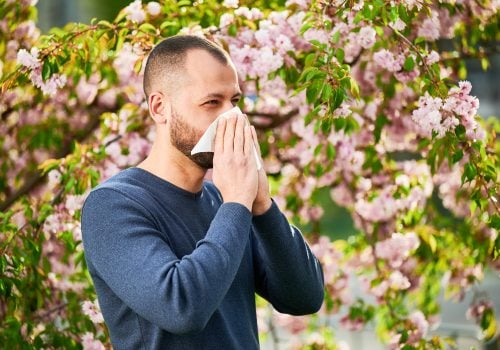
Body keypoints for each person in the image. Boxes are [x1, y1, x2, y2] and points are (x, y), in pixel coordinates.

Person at [81, 35, 324, 349]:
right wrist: (237, 201)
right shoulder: (113, 205)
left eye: (235, 102)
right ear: (159, 107)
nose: (230, 117)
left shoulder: (225, 202)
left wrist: (262, 205)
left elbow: (304, 296)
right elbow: (181, 308)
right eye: (212, 102)